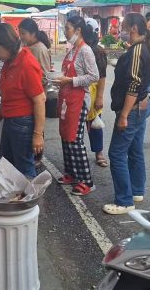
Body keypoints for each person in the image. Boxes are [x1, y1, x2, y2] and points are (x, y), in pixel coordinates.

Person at [104, 13, 150, 215]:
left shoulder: (138, 51)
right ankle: (136, 190)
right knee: (135, 150)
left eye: (125, 26)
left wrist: (124, 115)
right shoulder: (142, 48)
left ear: (134, 28)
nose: (122, 30)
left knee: (117, 154)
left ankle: (124, 201)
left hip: (133, 109)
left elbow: (134, 84)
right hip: (142, 106)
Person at [0, 23, 46, 177]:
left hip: (23, 125)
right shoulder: (8, 62)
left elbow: (39, 101)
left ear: (6, 44)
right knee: (6, 165)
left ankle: (28, 201)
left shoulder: (27, 64)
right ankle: (12, 200)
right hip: (10, 122)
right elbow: (8, 97)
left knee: (24, 169)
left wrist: (38, 134)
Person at [54, 16, 99, 196]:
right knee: (65, 137)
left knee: (75, 140)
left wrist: (70, 80)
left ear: (78, 30)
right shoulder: (72, 50)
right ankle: (71, 173)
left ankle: (86, 180)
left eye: (68, 28)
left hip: (79, 100)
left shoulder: (85, 51)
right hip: (67, 99)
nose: (65, 32)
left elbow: (93, 76)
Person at [82, 18, 108, 167]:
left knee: (95, 124)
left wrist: (99, 97)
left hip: (93, 92)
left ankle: (99, 153)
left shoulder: (97, 51)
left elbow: (102, 76)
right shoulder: (79, 48)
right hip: (79, 92)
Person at [18, 18, 52, 87]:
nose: (21, 36)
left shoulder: (40, 49)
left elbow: (44, 77)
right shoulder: (26, 45)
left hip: (36, 92)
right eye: (19, 33)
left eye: (23, 33)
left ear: (33, 34)